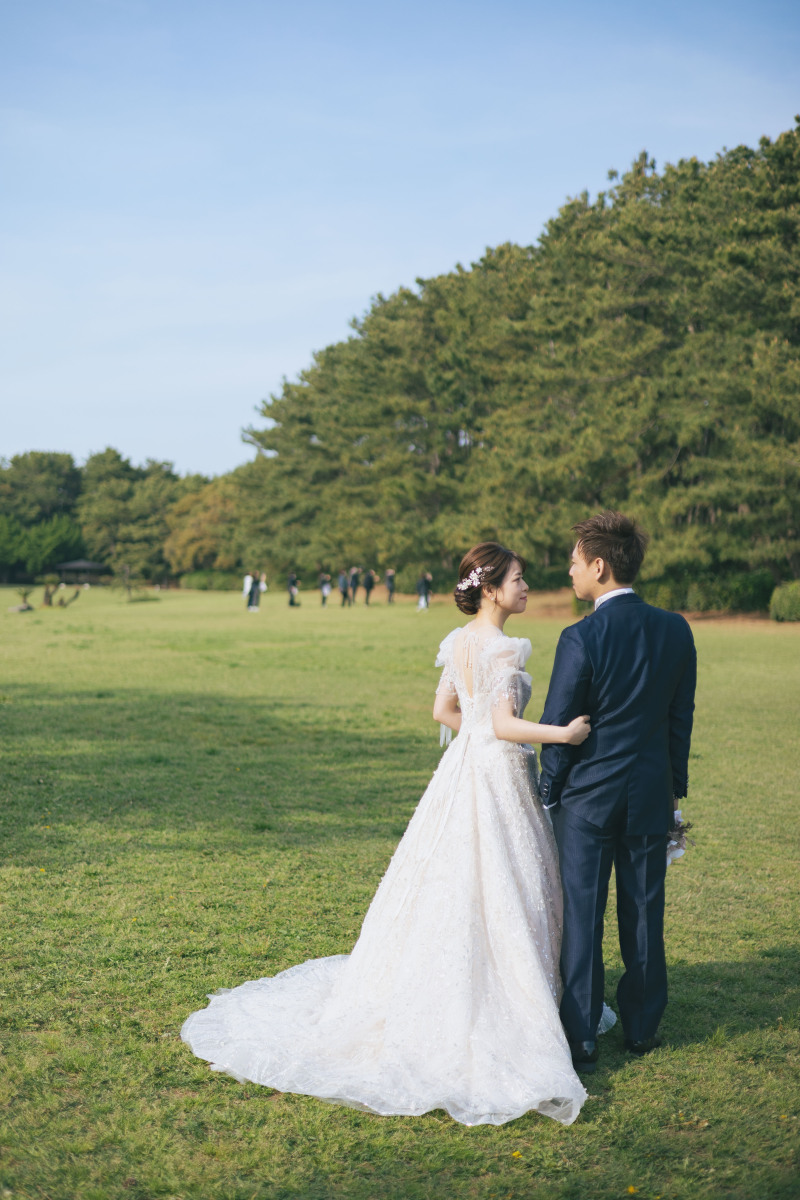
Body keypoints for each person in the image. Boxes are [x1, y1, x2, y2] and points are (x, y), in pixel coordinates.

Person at [182, 542, 608, 1127]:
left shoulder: (459, 642)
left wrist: (479, 736)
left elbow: (443, 712)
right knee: (505, 878)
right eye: (518, 578)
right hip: (498, 773)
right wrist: (563, 734)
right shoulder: (504, 647)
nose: (527, 586)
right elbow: (506, 724)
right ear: (491, 589)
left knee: (456, 877)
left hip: (464, 769)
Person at [538, 511, 696, 1074]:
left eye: (575, 561)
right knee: (645, 911)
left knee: (583, 915)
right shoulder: (676, 629)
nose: (570, 570)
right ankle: (643, 1028)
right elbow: (681, 719)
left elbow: (559, 725)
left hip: (586, 799)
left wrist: (548, 791)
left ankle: (580, 1035)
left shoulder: (581, 636)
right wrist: (673, 791)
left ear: (599, 566)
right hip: (651, 793)